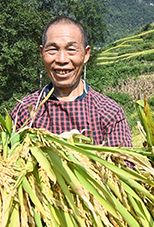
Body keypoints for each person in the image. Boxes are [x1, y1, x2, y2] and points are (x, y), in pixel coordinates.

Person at [11, 16, 132, 147]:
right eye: (53, 49)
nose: (62, 59)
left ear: (86, 54)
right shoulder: (24, 111)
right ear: (42, 53)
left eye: (71, 50)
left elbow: (123, 163)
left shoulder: (109, 113)